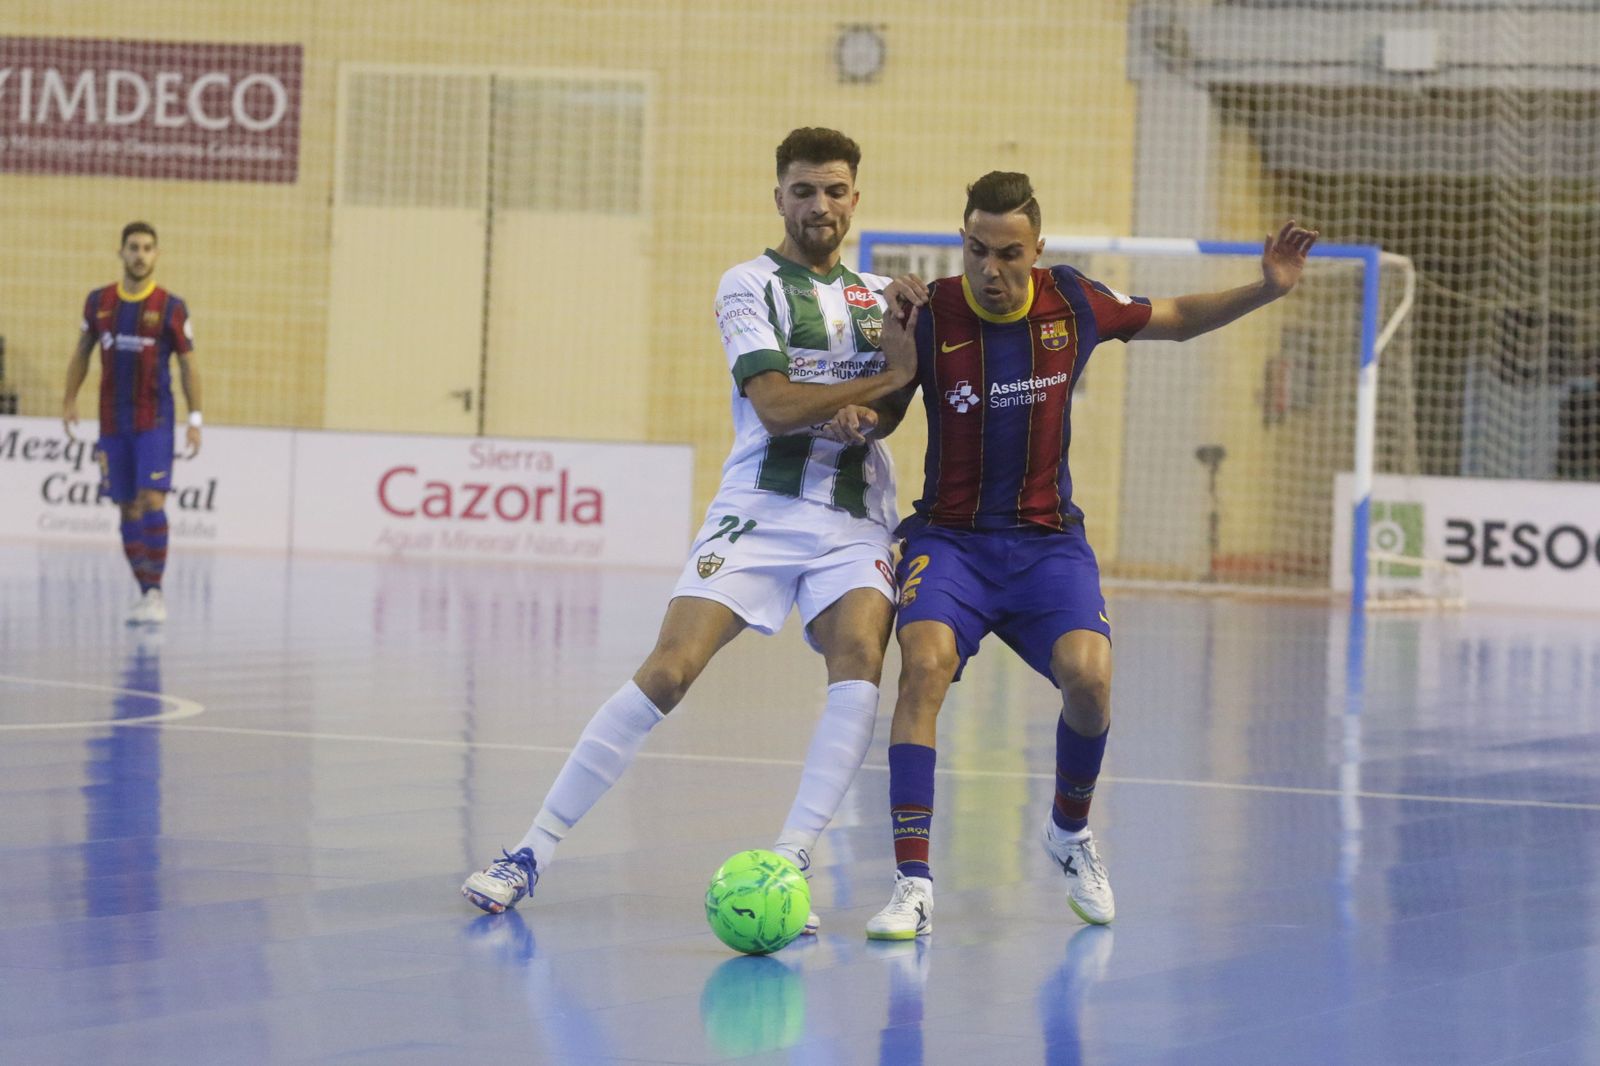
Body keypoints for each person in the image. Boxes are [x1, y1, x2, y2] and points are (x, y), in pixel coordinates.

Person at [461, 128, 918, 932]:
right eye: (804, 191)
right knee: (670, 668)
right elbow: (774, 406)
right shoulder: (747, 284)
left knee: (859, 658)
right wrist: (888, 375)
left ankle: (789, 860)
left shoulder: (882, 297)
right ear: (778, 197)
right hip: (758, 509)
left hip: (854, 518)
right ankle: (531, 849)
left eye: (835, 190)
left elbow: (892, 406)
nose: (820, 205)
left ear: (856, 199)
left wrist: (875, 409)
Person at [839, 172, 1318, 938]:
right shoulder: (930, 313)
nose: (990, 269)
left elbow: (1176, 317)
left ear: (1038, 249)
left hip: (1047, 543)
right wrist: (862, 417)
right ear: (962, 241)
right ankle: (913, 883)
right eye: (976, 250)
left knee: (1090, 681)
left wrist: (1267, 288)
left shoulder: (1073, 301)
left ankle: (1068, 830)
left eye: (1008, 254)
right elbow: (891, 405)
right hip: (951, 540)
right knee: (923, 668)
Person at [62, 222, 202, 625]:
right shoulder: (99, 302)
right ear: (121, 252)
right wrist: (69, 399)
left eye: (147, 248)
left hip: (154, 420)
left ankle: (156, 592)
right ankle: (146, 592)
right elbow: (82, 352)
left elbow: (189, 366)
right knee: (126, 507)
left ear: (156, 255)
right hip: (112, 423)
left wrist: (195, 419)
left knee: (152, 499)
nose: (140, 255)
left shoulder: (171, 307)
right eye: (134, 247)